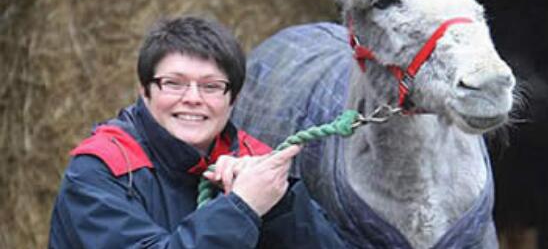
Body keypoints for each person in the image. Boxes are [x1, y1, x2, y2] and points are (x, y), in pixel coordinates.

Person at [48, 16, 346, 248]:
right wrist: (242, 206)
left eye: (211, 86)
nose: (193, 98)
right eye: (174, 83)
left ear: (234, 98)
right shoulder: (102, 169)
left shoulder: (255, 162)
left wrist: (280, 205)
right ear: (144, 90)